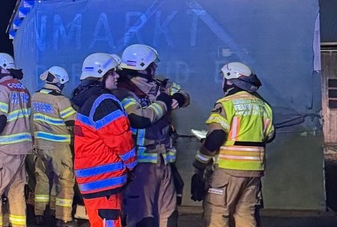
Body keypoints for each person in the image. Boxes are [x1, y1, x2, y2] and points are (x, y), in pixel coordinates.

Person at [192, 62, 274, 227]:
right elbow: (269, 135)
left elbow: (215, 137)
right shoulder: (264, 106)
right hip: (254, 172)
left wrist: (199, 164)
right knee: (245, 215)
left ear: (229, 80)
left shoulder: (226, 104)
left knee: (217, 214)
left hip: (228, 170)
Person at [117, 44, 190, 227]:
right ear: (142, 66)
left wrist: (179, 98)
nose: (155, 68)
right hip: (140, 165)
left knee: (168, 213)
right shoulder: (123, 91)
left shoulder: (158, 85)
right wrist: (164, 102)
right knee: (142, 214)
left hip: (164, 161)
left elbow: (182, 93)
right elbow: (141, 118)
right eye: (152, 65)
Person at [71, 53, 136, 227]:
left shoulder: (89, 100)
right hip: (105, 182)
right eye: (112, 72)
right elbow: (121, 140)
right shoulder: (104, 102)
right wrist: (133, 165)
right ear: (100, 75)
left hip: (95, 181)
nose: (116, 76)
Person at [0, 53, 31, 227]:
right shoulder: (23, 90)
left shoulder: (0, 90)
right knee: (16, 193)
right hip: (21, 151)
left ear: (3, 69)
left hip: (3, 151)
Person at [31, 66, 79, 227]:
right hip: (59, 147)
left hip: (41, 145)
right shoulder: (61, 100)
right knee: (65, 181)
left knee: (42, 179)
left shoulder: (35, 97)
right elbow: (72, 121)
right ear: (61, 82)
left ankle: (39, 213)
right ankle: (63, 217)